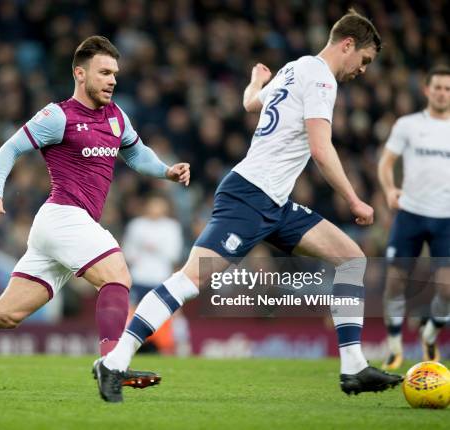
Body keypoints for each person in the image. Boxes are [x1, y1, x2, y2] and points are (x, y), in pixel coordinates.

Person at [95, 9, 403, 402]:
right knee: (191, 279)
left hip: (273, 201)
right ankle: (115, 361)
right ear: (347, 45)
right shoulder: (321, 78)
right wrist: (355, 199)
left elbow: (251, 104)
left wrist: (256, 82)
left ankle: (354, 366)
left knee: (351, 259)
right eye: (364, 61)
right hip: (250, 195)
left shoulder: (294, 69)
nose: (363, 70)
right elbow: (321, 148)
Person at [0, 36, 191, 390]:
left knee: (6, 313)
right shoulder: (58, 116)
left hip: (67, 227)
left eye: (115, 74)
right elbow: (9, 149)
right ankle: (112, 363)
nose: (112, 80)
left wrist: (166, 170)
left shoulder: (117, 118)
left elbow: (137, 155)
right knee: (117, 276)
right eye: (104, 72)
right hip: (63, 216)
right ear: (80, 73)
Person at [377, 66, 450, 369]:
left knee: (447, 290)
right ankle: (394, 346)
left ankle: (430, 335)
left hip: (446, 218)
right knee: (394, 284)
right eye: (438, 87)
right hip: (410, 214)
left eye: (447, 89)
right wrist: (390, 189)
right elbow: (386, 162)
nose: (442, 93)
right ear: (426, 90)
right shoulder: (407, 125)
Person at [122, 192, 188, 355]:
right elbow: (127, 251)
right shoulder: (136, 225)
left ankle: (182, 346)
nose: (155, 209)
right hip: (139, 277)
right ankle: (122, 346)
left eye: (159, 205)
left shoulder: (171, 227)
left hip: (161, 277)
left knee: (172, 313)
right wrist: (139, 252)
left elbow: (174, 253)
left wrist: (154, 247)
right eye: (153, 205)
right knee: (130, 312)